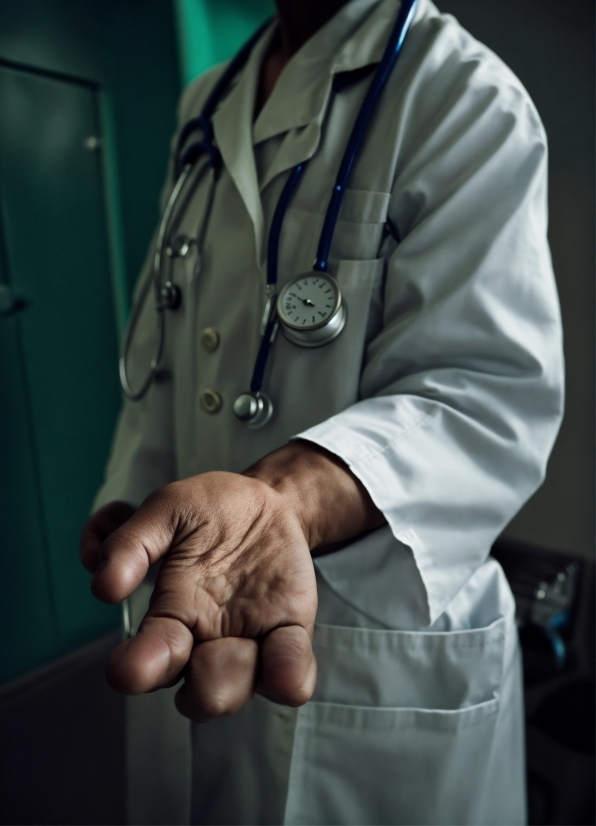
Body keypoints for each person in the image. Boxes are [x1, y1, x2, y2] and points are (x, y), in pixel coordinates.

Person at [80, 0, 564, 823]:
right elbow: (174, 335)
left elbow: (486, 396)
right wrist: (137, 495)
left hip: (373, 645)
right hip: (192, 604)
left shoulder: (465, 97)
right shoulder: (206, 103)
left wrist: (280, 504)